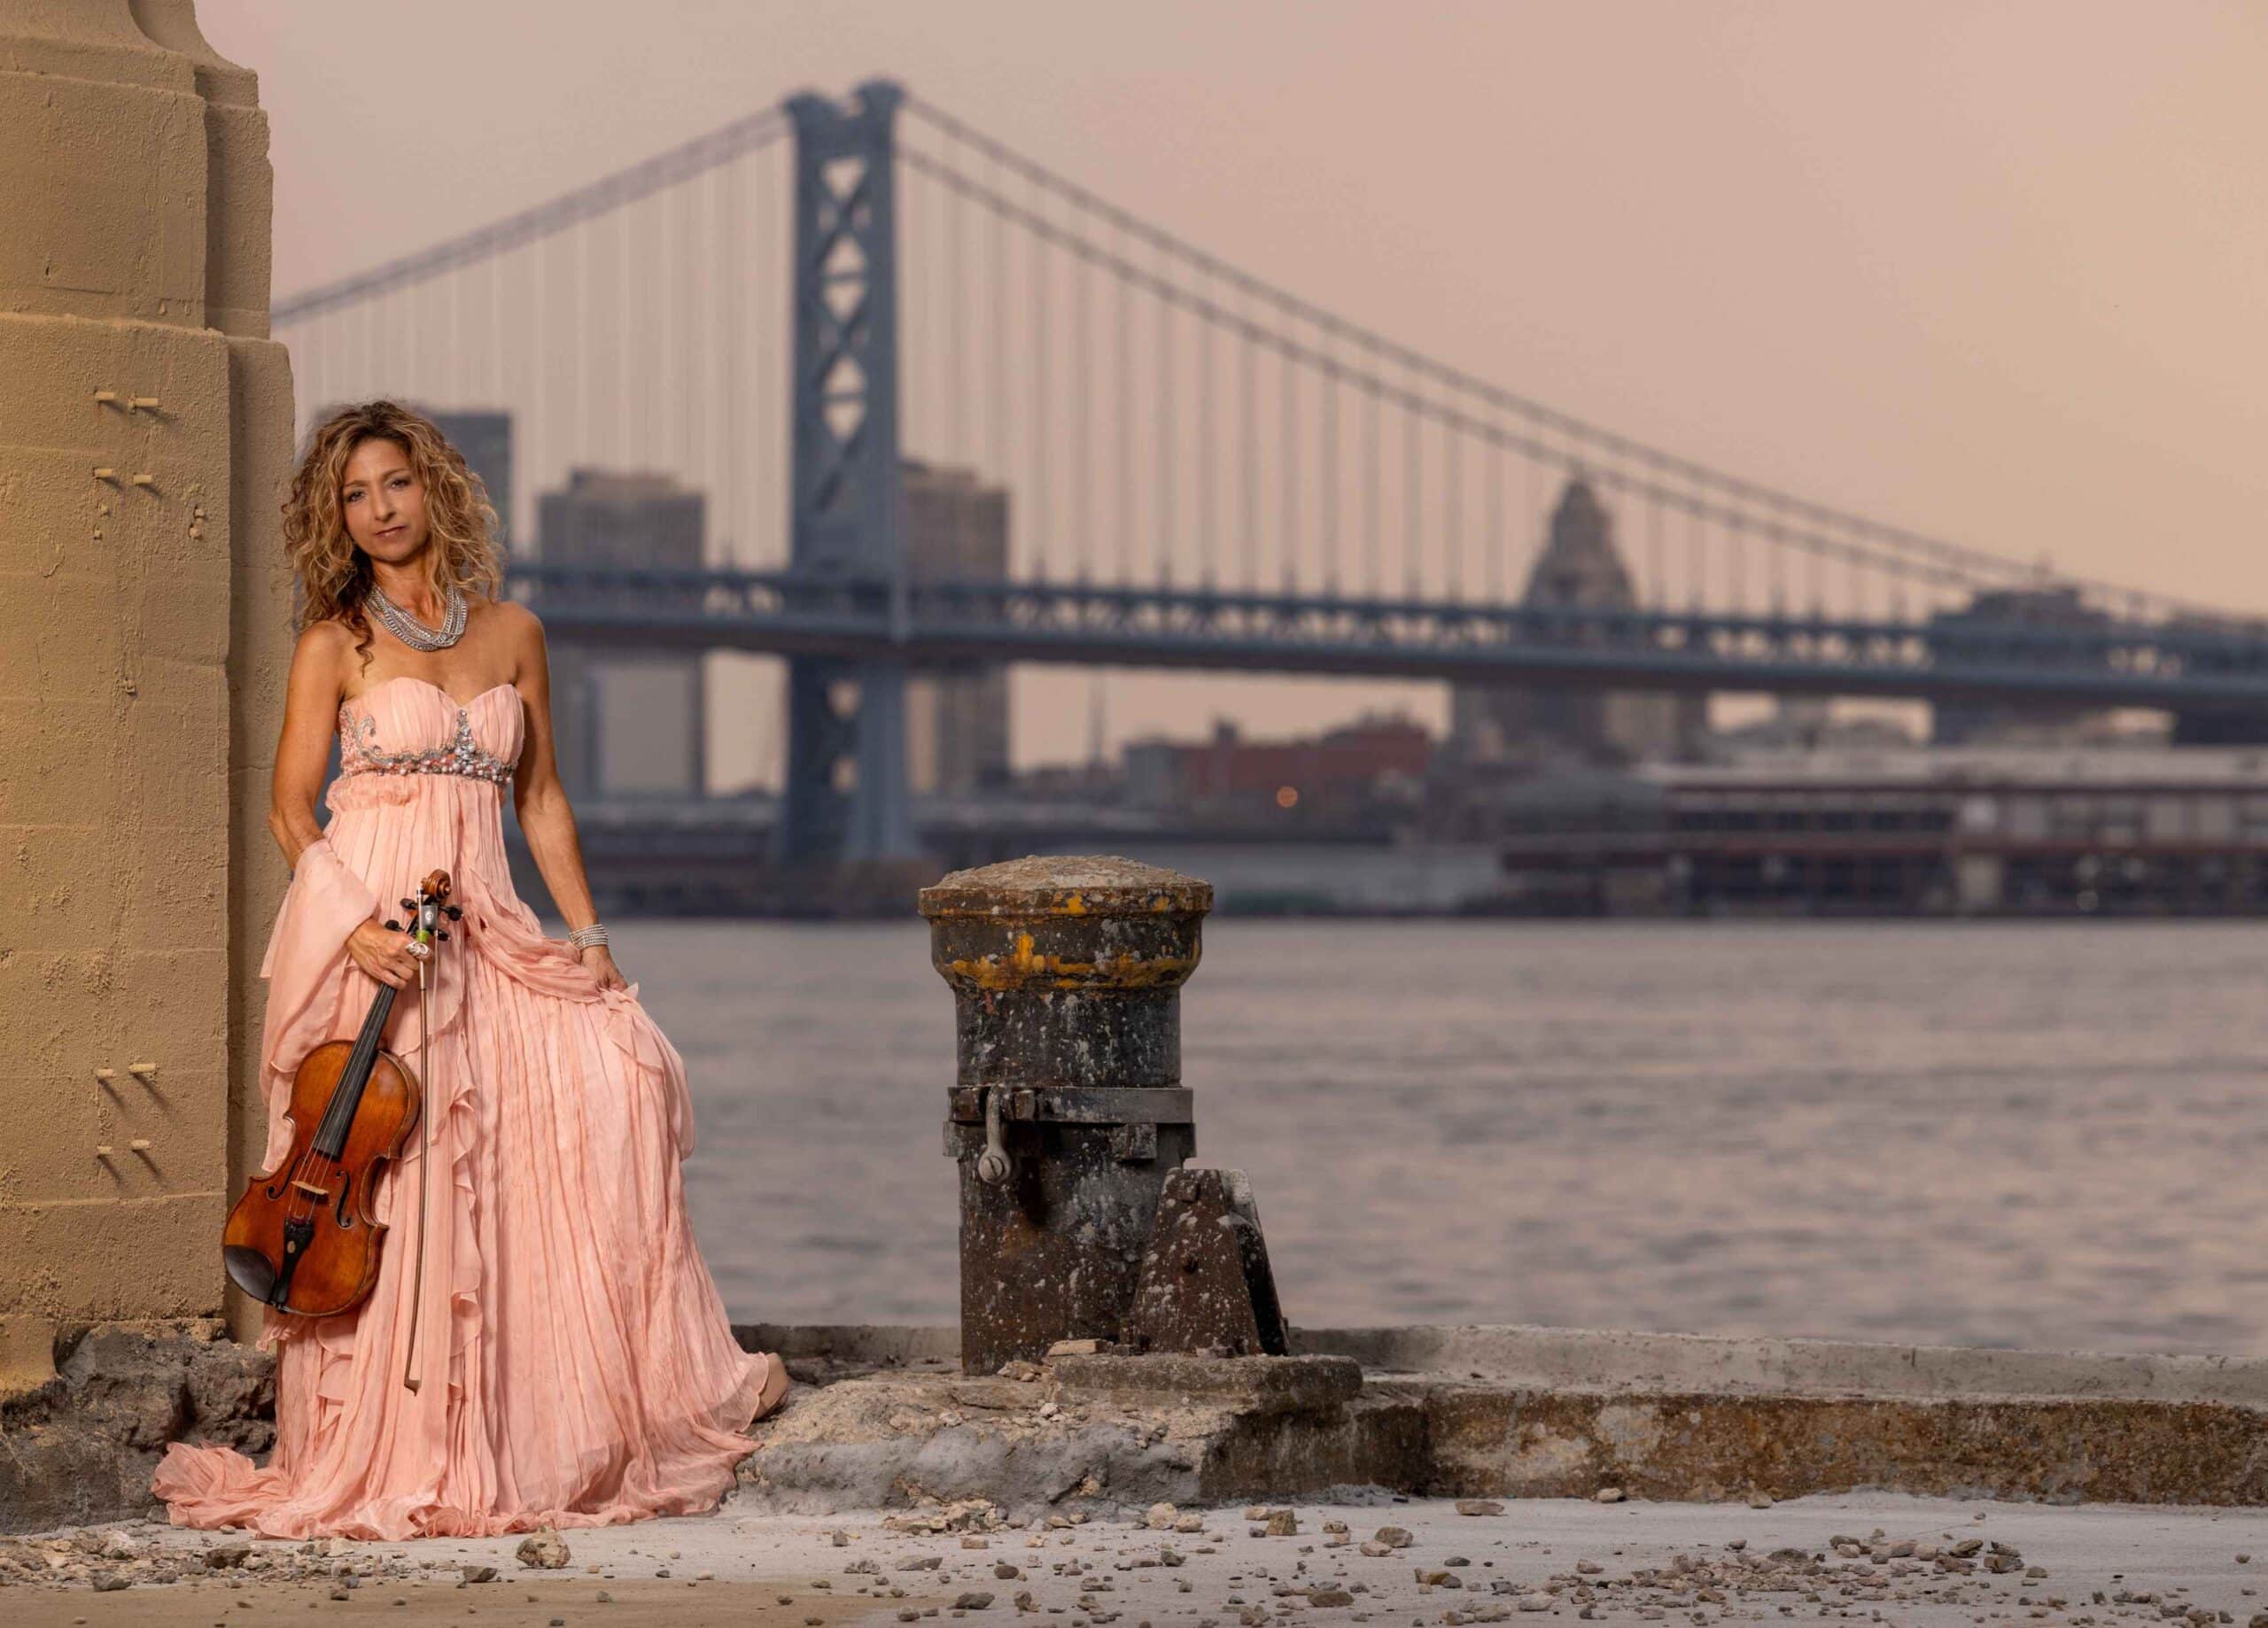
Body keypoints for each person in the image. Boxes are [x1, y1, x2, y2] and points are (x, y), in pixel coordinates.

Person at [151, 399, 789, 1539]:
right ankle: (402, 1441)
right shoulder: (332, 643)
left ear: (435, 488)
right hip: (377, 923)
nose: (377, 510)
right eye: (353, 494)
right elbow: (290, 811)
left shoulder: (513, 633)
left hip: (483, 919)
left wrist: (590, 941)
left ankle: (535, 1420)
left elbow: (540, 801)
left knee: (614, 1085)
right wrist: (350, 926)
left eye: (393, 483)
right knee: (401, 1169)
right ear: (334, 518)